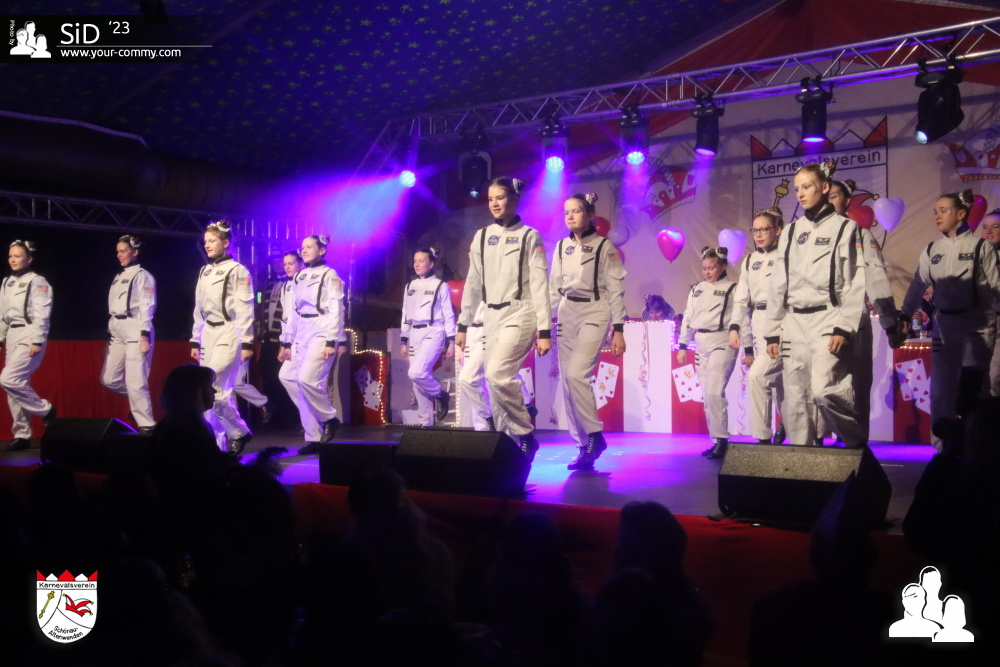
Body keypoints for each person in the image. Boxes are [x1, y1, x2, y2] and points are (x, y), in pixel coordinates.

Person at [765, 162, 868, 449]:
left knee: (825, 390)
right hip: (794, 322)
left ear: (824, 187)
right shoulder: (791, 231)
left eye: (807, 187)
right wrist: (772, 331)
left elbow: (855, 281)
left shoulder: (845, 228)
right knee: (796, 396)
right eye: (797, 189)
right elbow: (778, 283)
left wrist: (843, 327)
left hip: (828, 318)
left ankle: (856, 445)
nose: (800, 193)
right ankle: (802, 458)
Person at [455, 177, 552, 461]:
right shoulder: (482, 236)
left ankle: (525, 435)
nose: (495, 203)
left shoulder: (530, 236)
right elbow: (473, 283)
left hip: (521, 311)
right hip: (490, 316)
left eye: (500, 197)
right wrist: (463, 324)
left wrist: (545, 329)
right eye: (490, 199)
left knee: (497, 374)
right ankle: (506, 447)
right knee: (494, 383)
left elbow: (539, 284)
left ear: (515, 199)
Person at [900, 190, 1000, 452]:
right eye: (935, 211)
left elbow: (996, 287)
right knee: (941, 390)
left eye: (944, 210)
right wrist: (904, 315)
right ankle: (942, 450)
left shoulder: (981, 247)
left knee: (974, 390)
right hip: (944, 325)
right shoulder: (932, 249)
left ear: (961, 214)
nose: (937, 215)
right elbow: (918, 284)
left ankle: (977, 448)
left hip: (977, 325)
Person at [827, 173, 906, 446]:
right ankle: (820, 445)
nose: (828, 201)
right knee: (822, 386)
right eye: (825, 196)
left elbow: (876, 279)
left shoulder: (860, 235)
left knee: (857, 383)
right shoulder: (806, 237)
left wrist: (890, 323)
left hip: (852, 319)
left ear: (847, 201)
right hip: (816, 321)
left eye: (834, 196)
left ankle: (854, 445)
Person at [549, 193, 627, 470]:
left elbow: (616, 290)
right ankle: (583, 446)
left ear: (590, 214)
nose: (570, 216)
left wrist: (619, 328)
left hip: (595, 311)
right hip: (567, 313)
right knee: (568, 383)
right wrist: (542, 325)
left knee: (576, 374)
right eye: (567, 212)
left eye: (577, 211)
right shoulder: (561, 247)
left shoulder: (605, 246)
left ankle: (595, 435)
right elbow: (553, 290)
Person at [190, 221, 255, 455]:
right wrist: (195, 339)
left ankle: (240, 432)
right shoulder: (204, 271)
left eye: (212, 241)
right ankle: (216, 445)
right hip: (208, 333)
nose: (207, 245)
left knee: (215, 387)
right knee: (204, 391)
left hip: (229, 331)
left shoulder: (238, 270)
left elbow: (245, 308)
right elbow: (199, 308)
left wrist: (247, 341)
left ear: (225, 243)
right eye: (205, 241)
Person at [279, 234, 346, 456]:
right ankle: (313, 436)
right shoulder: (299, 277)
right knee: (288, 377)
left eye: (309, 247)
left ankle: (329, 418)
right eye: (303, 247)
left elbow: (337, 309)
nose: (304, 250)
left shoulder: (330, 274)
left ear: (322, 250)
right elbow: (292, 313)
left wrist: (332, 340)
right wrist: (287, 341)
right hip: (301, 332)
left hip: (321, 329)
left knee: (307, 379)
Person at [678, 247, 746, 459]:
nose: (707, 272)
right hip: (701, 342)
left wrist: (749, 347)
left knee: (716, 392)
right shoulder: (697, 289)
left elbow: (742, 318)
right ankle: (716, 440)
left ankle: (722, 440)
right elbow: (688, 316)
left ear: (723, 266)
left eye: (712, 268)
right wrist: (683, 345)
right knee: (708, 394)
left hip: (722, 341)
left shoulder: (733, 289)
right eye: (704, 268)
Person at [729, 209, 784, 445]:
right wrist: (734, 327)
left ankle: (764, 437)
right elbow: (741, 299)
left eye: (764, 229)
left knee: (760, 377)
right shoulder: (750, 260)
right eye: (755, 230)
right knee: (773, 381)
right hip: (758, 320)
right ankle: (774, 434)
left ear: (778, 230)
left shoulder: (786, 256)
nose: (759, 235)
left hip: (782, 322)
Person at [0, 240, 57, 451]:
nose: (12, 260)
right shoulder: (7, 282)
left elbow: (42, 314)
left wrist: (37, 340)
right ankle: (22, 434)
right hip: (12, 334)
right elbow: (2, 314)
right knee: (14, 386)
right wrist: (0, 338)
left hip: (29, 332)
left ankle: (46, 411)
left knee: (8, 379)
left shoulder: (37, 281)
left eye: (17, 256)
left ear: (29, 259)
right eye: (10, 256)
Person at [101, 234, 157, 432]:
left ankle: (147, 425)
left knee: (135, 380)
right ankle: (138, 403)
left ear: (135, 252)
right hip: (117, 330)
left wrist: (144, 335)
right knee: (109, 379)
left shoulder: (143, 275)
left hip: (136, 327)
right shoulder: (118, 277)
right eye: (118, 252)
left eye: (124, 251)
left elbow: (147, 306)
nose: (120, 255)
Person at [400, 247, 456, 426]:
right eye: (415, 261)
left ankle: (440, 394)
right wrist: (403, 339)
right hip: (414, 333)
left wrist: (451, 340)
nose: (417, 264)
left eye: (421, 261)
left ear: (431, 263)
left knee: (416, 373)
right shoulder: (410, 286)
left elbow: (448, 314)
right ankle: (426, 424)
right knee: (417, 382)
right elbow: (405, 313)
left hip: (434, 331)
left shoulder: (440, 286)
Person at [982, 209, 1000, 396]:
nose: (988, 232)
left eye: (995, 226)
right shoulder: (977, 257)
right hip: (981, 322)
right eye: (985, 227)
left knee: (995, 374)